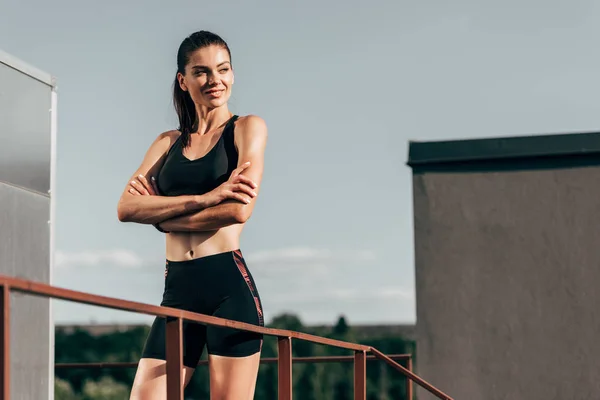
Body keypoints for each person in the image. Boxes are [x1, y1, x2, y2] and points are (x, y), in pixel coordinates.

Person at [116, 30, 268, 400]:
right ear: (183, 81)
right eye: (201, 72)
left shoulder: (247, 128)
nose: (214, 80)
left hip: (228, 289)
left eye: (223, 69)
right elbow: (126, 207)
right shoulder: (168, 142)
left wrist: (162, 218)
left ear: (232, 74)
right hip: (178, 290)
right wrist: (206, 198)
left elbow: (238, 209)